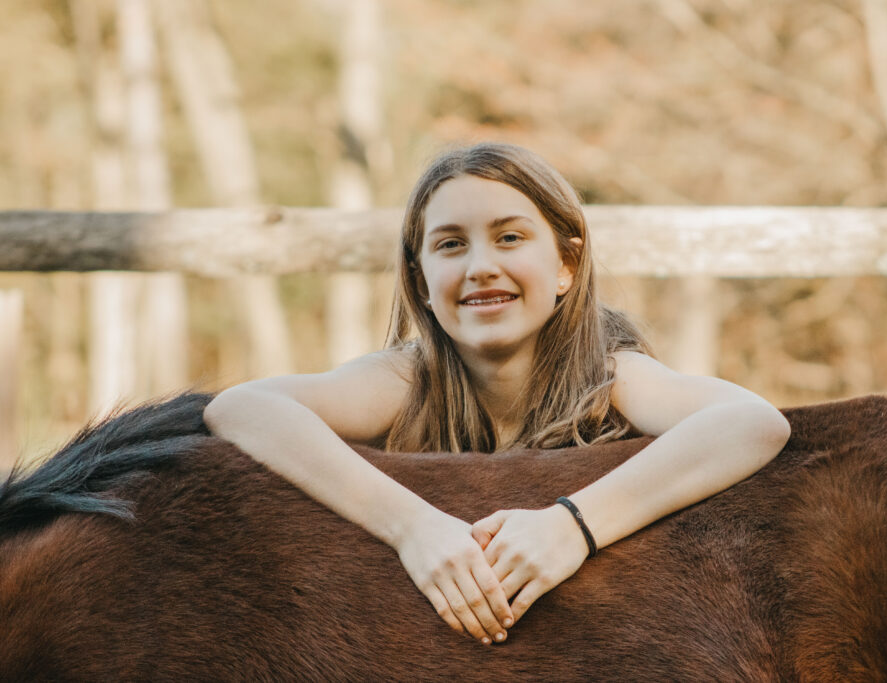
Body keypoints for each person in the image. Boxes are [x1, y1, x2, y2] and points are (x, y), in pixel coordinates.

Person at [203, 142, 791, 646]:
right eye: (451, 245)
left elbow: (751, 421)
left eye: (509, 237)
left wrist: (570, 528)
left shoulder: (611, 374)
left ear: (566, 263)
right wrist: (414, 527)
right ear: (422, 282)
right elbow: (242, 408)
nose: (481, 266)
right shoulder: (408, 379)